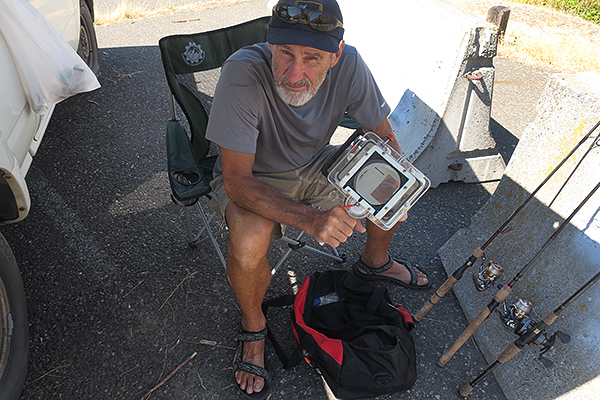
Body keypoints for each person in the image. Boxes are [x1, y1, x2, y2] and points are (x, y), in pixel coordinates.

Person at [205, 1, 431, 398]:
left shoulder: (351, 64)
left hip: (314, 165)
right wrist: (311, 219)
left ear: (335, 55)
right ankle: (254, 326)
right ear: (270, 43)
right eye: (285, 53)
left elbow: (382, 137)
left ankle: (374, 264)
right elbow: (237, 181)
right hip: (253, 175)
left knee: (391, 187)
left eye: (312, 58)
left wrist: (398, 184)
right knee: (248, 241)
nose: (295, 73)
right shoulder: (243, 71)